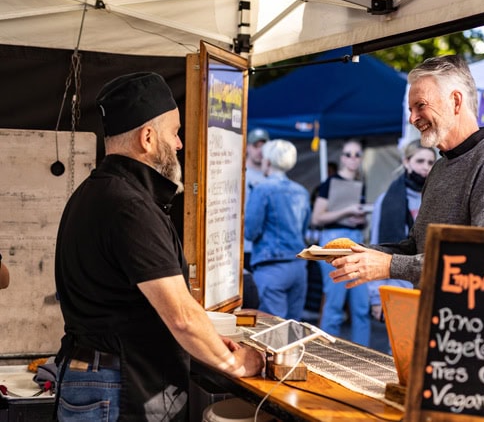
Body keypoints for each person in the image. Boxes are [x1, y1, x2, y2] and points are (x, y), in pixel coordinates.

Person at [54, 72, 264, 421]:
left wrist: (210, 341)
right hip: (117, 386)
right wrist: (237, 363)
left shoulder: (92, 193)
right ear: (148, 138)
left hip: (95, 378)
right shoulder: (129, 206)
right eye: (175, 132)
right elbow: (181, 316)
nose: (180, 144)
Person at [327, 55, 484, 290]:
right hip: (433, 317)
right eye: (411, 109)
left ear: (455, 101)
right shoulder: (440, 167)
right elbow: (416, 246)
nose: (412, 118)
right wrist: (361, 253)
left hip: (473, 323)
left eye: (420, 105)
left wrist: (389, 265)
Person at [367, 139, 436, 319]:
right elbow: (378, 245)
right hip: (399, 284)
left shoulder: (438, 198)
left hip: (432, 282)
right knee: (400, 345)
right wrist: (376, 296)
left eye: (430, 162)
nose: (425, 167)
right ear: (406, 162)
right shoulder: (387, 200)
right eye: (420, 161)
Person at [311, 138, 370, 346]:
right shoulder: (329, 183)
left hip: (355, 240)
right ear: (341, 158)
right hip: (334, 241)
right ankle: (327, 354)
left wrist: (359, 218)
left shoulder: (360, 184)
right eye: (348, 154)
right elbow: (317, 218)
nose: (352, 159)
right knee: (335, 304)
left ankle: (363, 354)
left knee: (361, 305)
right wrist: (347, 211)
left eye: (356, 154)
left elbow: (354, 218)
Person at [244, 139, 311, 320]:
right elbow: (304, 228)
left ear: (267, 161)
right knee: (293, 330)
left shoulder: (262, 189)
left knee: (272, 332)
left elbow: (250, 231)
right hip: (299, 266)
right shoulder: (301, 191)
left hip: (271, 266)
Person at [243, 128, 270, 272]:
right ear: (247, 147)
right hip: (243, 247)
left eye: (263, 146)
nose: (260, 151)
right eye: (256, 146)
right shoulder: (239, 172)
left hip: (265, 249)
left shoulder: (272, 175)